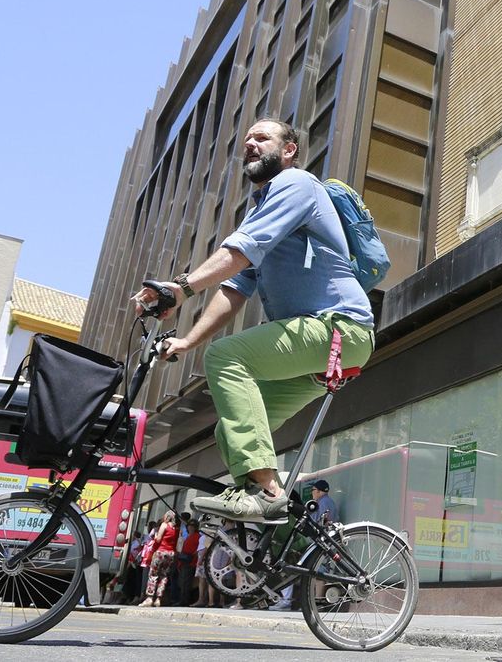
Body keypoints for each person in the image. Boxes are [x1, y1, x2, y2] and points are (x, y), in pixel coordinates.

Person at [131, 120, 375, 521]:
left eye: (262, 138)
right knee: (231, 429)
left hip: (340, 327)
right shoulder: (261, 207)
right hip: (319, 346)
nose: (250, 143)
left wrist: (179, 288)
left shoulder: (296, 184)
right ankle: (262, 527)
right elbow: (235, 287)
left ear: (290, 149)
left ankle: (266, 491)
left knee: (227, 356)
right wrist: (188, 341)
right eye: (246, 139)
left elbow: (241, 252)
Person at [269, 479, 337, 612]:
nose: (312, 493)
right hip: (325, 539)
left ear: (318, 491)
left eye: (313, 490)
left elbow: (320, 521)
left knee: (318, 572)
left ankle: (315, 603)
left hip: (322, 540)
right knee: (317, 571)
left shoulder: (323, 503)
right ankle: (314, 603)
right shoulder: (328, 502)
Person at [140, 511, 179, 607]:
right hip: (171, 554)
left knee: (153, 574)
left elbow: (158, 540)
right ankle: (158, 599)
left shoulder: (164, 525)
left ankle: (149, 598)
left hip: (161, 552)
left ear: (167, 517)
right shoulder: (176, 529)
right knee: (164, 576)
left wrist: (156, 536)